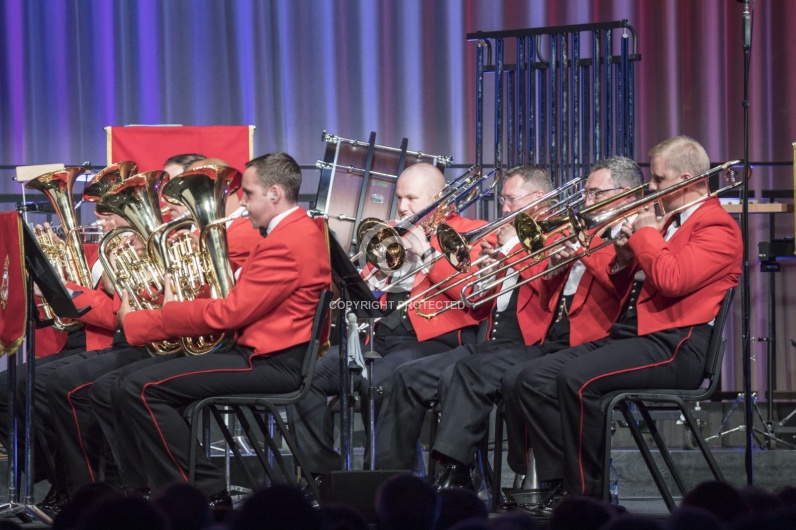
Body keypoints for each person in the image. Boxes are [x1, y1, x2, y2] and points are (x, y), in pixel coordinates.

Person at [511, 136, 742, 514]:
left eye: (659, 179)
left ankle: (587, 497)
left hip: (677, 344)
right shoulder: (669, 220)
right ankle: (558, 482)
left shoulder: (718, 226)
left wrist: (646, 233)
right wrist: (621, 252)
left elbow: (672, 280)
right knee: (532, 378)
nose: (650, 186)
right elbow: (623, 278)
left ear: (687, 179)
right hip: (633, 335)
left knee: (577, 379)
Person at [93, 152, 331, 504]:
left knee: (140, 389)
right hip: (257, 354)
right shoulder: (290, 233)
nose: (242, 203)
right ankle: (144, 491)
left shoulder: (288, 240)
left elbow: (230, 313)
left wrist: (147, 319)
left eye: (248, 194)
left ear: (275, 194)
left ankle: (200, 492)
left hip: (268, 362)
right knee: (118, 385)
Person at [420, 157, 643, 491]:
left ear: (627, 194)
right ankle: (457, 470)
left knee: (509, 377)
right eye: (587, 193)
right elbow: (546, 296)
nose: (587, 201)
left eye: (596, 194)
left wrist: (578, 250)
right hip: (551, 339)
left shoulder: (631, 234)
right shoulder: (586, 232)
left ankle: (541, 480)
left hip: (590, 343)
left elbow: (617, 284)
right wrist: (555, 267)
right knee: (467, 370)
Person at [289, 162, 489, 478]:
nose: (403, 207)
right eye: (399, 198)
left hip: (433, 341)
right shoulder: (393, 231)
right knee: (305, 375)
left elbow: (471, 292)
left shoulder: (469, 231)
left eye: (412, 199)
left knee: (377, 383)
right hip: (380, 336)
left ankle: (386, 480)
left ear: (440, 198)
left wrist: (425, 255)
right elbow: (361, 292)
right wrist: (375, 268)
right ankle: (321, 477)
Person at [372, 165, 554, 478]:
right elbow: (479, 300)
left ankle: (454, 473)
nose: (504, 209)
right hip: (489, 344)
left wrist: (429, 254)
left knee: (463, 372)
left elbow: (544, 285)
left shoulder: (549, 235)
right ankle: (390, 480)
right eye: (502, 200)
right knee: (406, 377)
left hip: (527, 344)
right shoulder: (503, 238)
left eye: (511, 200)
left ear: (538, 198)